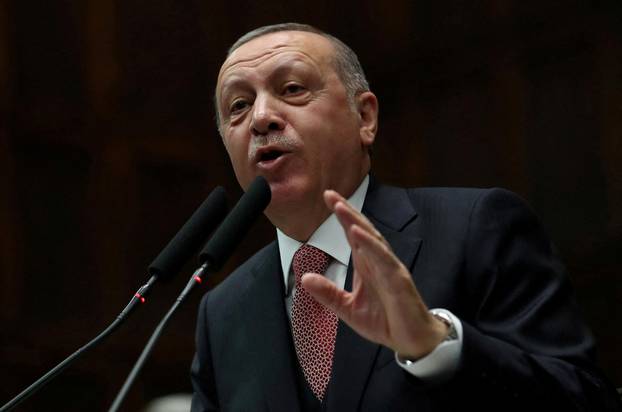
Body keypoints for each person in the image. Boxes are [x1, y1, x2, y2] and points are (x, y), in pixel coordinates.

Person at [190, 23, 621, 411]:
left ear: (365, 117)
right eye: (239, 106)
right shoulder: (223, 311)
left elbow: (586, 399)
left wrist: (437, 346)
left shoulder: (476, 227)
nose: (262, 118)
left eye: (292, 89)